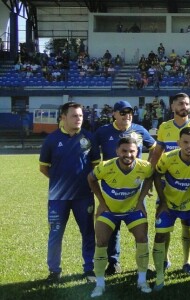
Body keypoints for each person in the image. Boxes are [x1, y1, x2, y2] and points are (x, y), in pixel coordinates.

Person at [39, 102, 100, 284]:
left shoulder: (89, 138)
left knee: (88, 233)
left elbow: (96, 165)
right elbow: (43, 168)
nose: (78, 119)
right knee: (55, 234)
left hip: (83, 196)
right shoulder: (51, 139)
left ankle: (89, 269)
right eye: (74, 115)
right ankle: (54, 271)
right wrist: (62, 183)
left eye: (80, 116)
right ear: (63, 118)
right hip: (58, 198)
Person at [93, 101, 156, 276]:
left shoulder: (140, 130)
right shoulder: (103, 131)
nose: (127, 115)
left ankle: (144, 265)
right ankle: (114, 262)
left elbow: (155, 148)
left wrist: (148, 167)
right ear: (114, 114)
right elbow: (91, 151)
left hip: (134, 188)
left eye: (130, 112)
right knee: (112, 228)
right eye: (123, 112)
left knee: (140, 226)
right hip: (111, 189)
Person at [151, 93, 190, 276]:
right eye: (180, 103)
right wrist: (148, 179)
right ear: (172, 106)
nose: (184, 106)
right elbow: (157, 153)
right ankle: (165, 260)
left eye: (187, 103)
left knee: (187, 225)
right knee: (164, 225)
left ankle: (187, 261)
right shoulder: (165, 127)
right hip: (167, 185)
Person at [87, 137, 154, 297]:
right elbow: (91, 179)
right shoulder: (105, 167)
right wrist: (102, 203)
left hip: (132, 210)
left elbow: (150, 177)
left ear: (137, 152)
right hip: (110, 211)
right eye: (124, 151)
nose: (128, 155)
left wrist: (140, 201)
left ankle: (142, 280)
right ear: (117, 151)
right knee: (101, 241)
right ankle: (100, 284)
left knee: (142, 239)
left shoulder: (144, 167)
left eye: (132, 151)